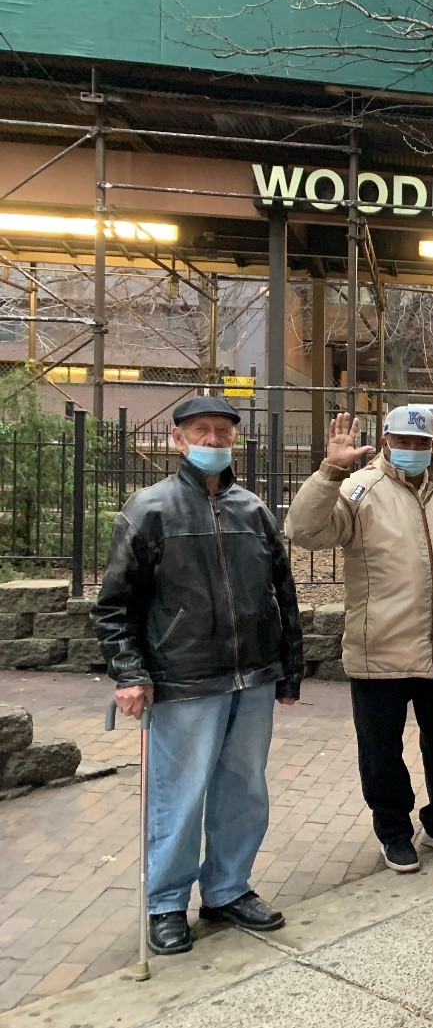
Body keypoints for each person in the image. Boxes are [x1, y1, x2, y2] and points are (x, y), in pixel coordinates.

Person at [92, 396, 303, 955]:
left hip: (251, 676)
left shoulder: (253, 510)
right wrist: (129, 672)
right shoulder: (150, 509)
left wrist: (288, 670)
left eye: (222, 432)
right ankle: (165, 903)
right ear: (178, 438)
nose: (213, 441)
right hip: (183, 679)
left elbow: (283, 594)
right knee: (178, 797)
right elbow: (115, 603)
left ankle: (228, 889)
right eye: (201, 432)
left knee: (243, 792)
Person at [286, 407, 433, 873]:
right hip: (379, 648)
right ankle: (393, 829)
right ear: (386, 440)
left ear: (432, 446)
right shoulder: (360, 488)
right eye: (403, 441)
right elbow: (302, 531)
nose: (412, 450)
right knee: (381, 750)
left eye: (421, 443)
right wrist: (329, 471)